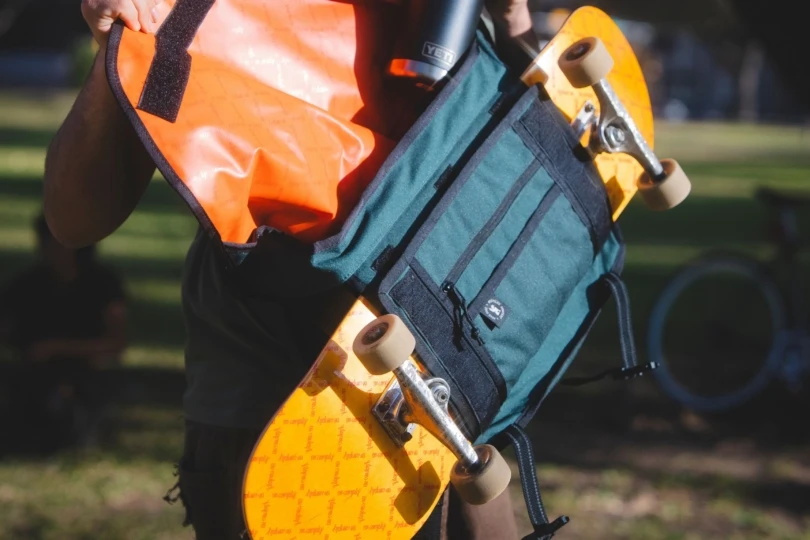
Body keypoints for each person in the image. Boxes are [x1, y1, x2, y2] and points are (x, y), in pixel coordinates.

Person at [43, 0, 536, 537]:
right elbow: (75, 217)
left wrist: (513, 25)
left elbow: (545, 151)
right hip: (282, 416)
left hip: (463, 384)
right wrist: (117, 45)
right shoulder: (189, 10)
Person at [0, 213, 127, 450]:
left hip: (84, 371)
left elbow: (115, 343)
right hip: (32, 369)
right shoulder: (27, 284)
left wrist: (57, 348)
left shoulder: (102, 285)